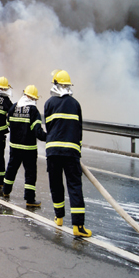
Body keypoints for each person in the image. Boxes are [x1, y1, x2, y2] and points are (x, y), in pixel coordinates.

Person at [44, 70, 92, 237]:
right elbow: (79, 130)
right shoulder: (75, 104)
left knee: (56, 184)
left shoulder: (49, 103)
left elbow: (49, 128)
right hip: (71, 153)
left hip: (53, 152)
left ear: (55, 84)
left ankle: (58, 218)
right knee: (74, 186)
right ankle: (78, 226)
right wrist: (77, 149)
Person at [3, 85, 47, 207]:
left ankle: (6, 191)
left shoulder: (13, 107)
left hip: (15, 147)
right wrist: (50, 137)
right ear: (33, 98)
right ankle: (30, 199)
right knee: (30, 173)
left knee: (11, 169)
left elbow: (8, 123)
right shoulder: (33, 111)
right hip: (29, 149)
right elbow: (38, 132)